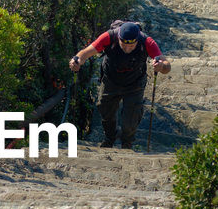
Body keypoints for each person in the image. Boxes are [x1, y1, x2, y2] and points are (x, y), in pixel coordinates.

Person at [70, 20, 171, 149]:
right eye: (124, 44)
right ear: (118, 38)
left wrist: (161, 66)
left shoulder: (146, 41)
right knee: (105, 110)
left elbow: (167, 66)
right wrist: (76, 61)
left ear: (137, 40)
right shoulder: (108, 37)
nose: (127, 48)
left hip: (135, 84)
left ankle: (127, 142)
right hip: (110, 80)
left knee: (131, 119)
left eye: (132, 45)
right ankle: (110, 137)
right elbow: (86, 53)